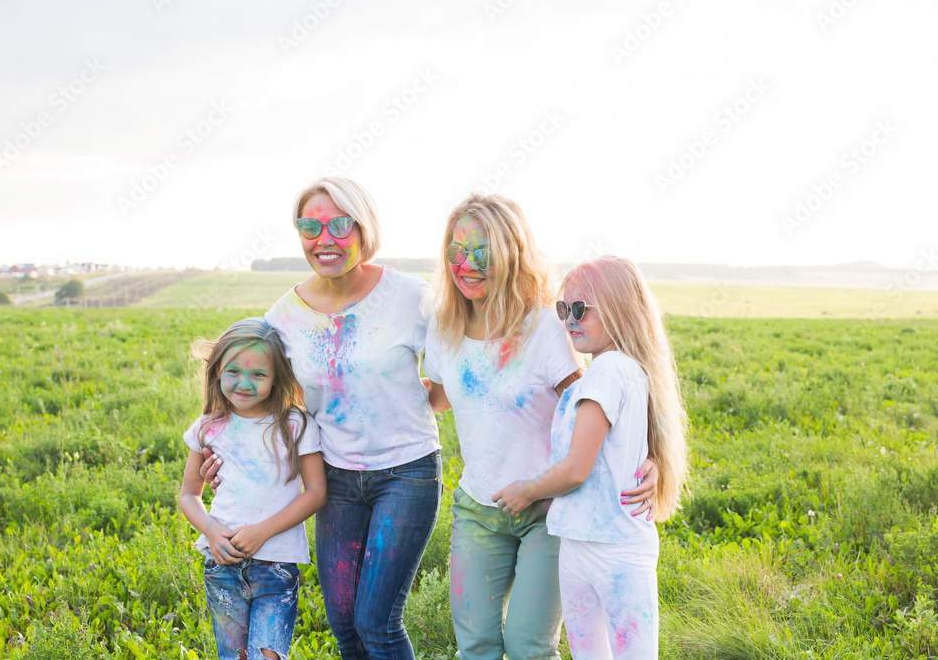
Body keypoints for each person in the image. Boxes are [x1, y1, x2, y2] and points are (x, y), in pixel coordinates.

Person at [202, 177, 442, 660]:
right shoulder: (283, 316)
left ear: (362, 228)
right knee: (344, 626)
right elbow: (261, 399)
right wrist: (224, 456)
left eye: (339, 224)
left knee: (377, 622)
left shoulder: (411, 296)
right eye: (310, 225)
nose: (323, 238)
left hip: (407, 474)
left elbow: (452, 377)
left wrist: (411, 403)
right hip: (335, 479)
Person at [423, 194, 659, 660]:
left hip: (547, 512)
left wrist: (649, 455)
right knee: (477, 646)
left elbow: (597, 407)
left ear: (510, 254)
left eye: (481, 254)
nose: (465, 265)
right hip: (478, 507)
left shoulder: (546, 327)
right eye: (456, 251)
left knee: (529, 646)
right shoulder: (443, 327)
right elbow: (439, 397)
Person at [493, 256, 690, 660]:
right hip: (593, 542)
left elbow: (576, 469)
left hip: (607, 549)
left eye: (581, 309)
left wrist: (526, 490)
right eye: (564, 309)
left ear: (618, 308)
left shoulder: (606, 372)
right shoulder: (628, 369)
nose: (569, 320)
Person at [179, 318, 327, 660]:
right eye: (233, 371)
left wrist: (261, 532)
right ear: (217, 371)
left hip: (276, 562)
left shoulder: (295, 424)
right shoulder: (207, 428)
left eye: (258, 374)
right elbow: (189, 495)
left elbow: (317, 491)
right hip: (222, 562)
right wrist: (212, 531)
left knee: (268, 656)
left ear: (276, 379)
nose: (244, 383)